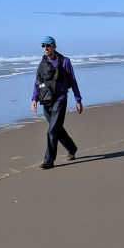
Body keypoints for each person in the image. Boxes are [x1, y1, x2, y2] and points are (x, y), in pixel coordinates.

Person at [31, 36, 83, 169]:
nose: (45, 48)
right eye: (43, 46)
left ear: (54, 46)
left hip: (60, 99)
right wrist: (34, 99)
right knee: (57, 129)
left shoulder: (65, 62)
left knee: (52, 130)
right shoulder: (42, 64)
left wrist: (78, 100)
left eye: (48, 45)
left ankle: (49, 160)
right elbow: (37, 82)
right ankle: (71, 148)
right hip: (46, 101)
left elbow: (73, 80)